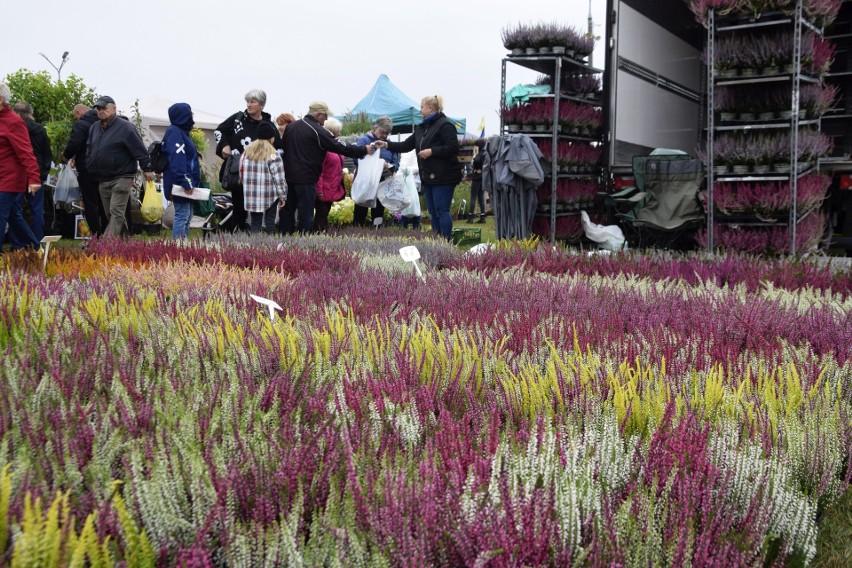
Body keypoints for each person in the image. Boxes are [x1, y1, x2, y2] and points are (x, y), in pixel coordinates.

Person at [280, 101, 375, 234]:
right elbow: (341, 147)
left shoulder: (291, 127)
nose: (326, 120)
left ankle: (284, 240)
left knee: (287, 213)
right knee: (306, 214)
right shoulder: (317, 130)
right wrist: (363, 150)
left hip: (288, 178)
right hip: (307, 179)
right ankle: (303, 244)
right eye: (325, 116)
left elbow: (283, 149)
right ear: (319, 115)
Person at [384, 95, 461, 240]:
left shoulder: (445, 125)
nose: (420, 110)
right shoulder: (421, 128)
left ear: (431, 108)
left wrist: (432, 151)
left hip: (444, 177)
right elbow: (405, 145)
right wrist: (387, 144)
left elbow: (453, 148)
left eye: (422, 107)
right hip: (427, 177)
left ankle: (446, 241)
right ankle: (437, 240)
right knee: (432, 211)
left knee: (442, 210)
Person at [85, 95, 154, 237]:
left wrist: (147, 168)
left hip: (122, 176)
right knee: (111, 214)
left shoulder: (126, 127)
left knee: (116, 211)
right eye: (98, 108)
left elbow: (139, 149)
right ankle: (124, 244)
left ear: (114, 109)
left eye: (104, 108)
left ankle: (106, 244)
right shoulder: (94, 128)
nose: (100, 111)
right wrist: (89, 162)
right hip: (102, 177)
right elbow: (89, 147)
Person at [215, 89, 278, 232]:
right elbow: (219, 131)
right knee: (239, 208)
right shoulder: (238, 119)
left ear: (261, 105)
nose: (249, 105)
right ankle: (237, 238)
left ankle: (257, 239)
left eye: (253, 102)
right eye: (248, 101)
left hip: (261, 176)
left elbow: (278, 148)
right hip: (238, 172)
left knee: (260, 212)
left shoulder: (268, 125)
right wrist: (224, 145)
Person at [0, 83, 41, 250]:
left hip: (9, 180)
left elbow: (26, 152)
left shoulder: (14, 122)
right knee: (13, 217)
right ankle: (35, 248)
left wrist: (34, 178)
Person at [62, 103, 106, 236]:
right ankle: (107, 232)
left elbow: (74, 143)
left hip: (86, 167)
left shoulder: (81, 125)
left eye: (75, 115)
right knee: (104, 200)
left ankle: (95, 233)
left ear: (80, 112)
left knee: (90, 202)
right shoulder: (102, 123)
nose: (75, 118)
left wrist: (65, 156)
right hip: (104, 168)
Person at [10, 101, 51, 242]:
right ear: (31, 112)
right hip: (36, 171)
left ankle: (17, 243)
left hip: (18, 172)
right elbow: (47, 153)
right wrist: (43, 173)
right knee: (37, 209)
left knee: (16, 209)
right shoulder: (40, 129)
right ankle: (38, 240)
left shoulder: (12, 128)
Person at [162, 102, 201, 239]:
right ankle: (177, 248)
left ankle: (183, 246)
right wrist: (184, 180)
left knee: (187, 215)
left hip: (185, 181)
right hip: (180, 182)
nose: (192, 117)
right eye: (190, 114)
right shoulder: (175, 131)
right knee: (182, 215)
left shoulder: (182, 132)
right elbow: (176, 158)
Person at [240, 121, 286, 233]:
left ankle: (255, 246)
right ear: (271, 137)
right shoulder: (274, 154)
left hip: (251, 193)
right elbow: (279, 179)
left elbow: (241, 173)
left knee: (255, 222)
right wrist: (283, 196)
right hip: (270, 194)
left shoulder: (247, 153)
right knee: (270, 221)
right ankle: (269, 248)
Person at [354, 115, 398, 227]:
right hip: (365, 183)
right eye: (382, 132)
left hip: (382, 183)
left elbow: (396, 164)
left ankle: (377, 233)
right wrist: (376, 164)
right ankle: (357, 233)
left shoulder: (389, 144)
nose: (384, 135)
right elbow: (356, 159)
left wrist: (389, 166)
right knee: (361, 210)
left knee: (378, 212)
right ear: (375, 127)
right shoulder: (365, 140)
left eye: (387, 133)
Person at [314, 117, 345, 232]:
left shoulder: (335, 147)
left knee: (325, 213)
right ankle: (317, 236)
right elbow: (320, 171)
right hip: (324, 187)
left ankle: (323, 235)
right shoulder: (324, 149)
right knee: (321, 213)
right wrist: (319, 190)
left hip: (332, 187)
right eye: (337, 131)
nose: (340, 133)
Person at [467, 138, 487, 223]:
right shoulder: (485, 153)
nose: (474, 147)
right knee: (481, 197)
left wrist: (475, 155)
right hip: (482, 177)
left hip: (477, 177)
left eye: (476, 145)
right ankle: (482, 217)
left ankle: (471, 217)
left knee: (473, 197)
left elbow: (475, 163)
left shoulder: (479, 154)